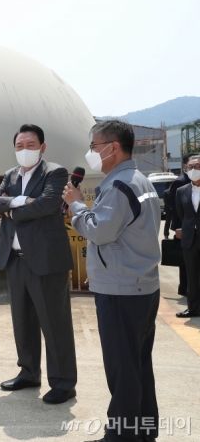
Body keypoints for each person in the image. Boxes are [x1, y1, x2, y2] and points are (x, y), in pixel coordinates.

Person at [63, 120, 160, 442]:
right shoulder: (140, 180)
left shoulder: (119, 186)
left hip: (121, 290)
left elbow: (100, 231)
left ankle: (120, 436)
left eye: (94, 146)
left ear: (112, 147)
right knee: (138, 364)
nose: (92, 153)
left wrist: (76, 204)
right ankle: (144, 431)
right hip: (141, 285)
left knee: (122, 369)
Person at [0, 123, 77, 405]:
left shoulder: (55, 172)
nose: (24, 150)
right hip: (15, 260)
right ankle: (28, 372)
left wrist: (13, 211)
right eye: (19, 146)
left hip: (46, 260)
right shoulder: (10, 175)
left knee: (54, 323)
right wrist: (22, 199)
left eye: (30, 145)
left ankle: (63, 383)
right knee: (22, 321)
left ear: (42, 147)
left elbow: (48, 204)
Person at [174, 155, 200, 318]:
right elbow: (181, 214)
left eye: (197, 166)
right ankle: (193, 308)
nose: (193, 170)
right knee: (192, 275)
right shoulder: (181, 191)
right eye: (190, 167)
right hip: (190, 239)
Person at [170, 154, 195, 295]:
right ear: (185, 166)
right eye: (191, 166)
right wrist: (177, 228)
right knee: (186, 262)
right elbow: (175, 207)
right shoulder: (181, 182)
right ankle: (185, 288)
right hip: (185, 229)